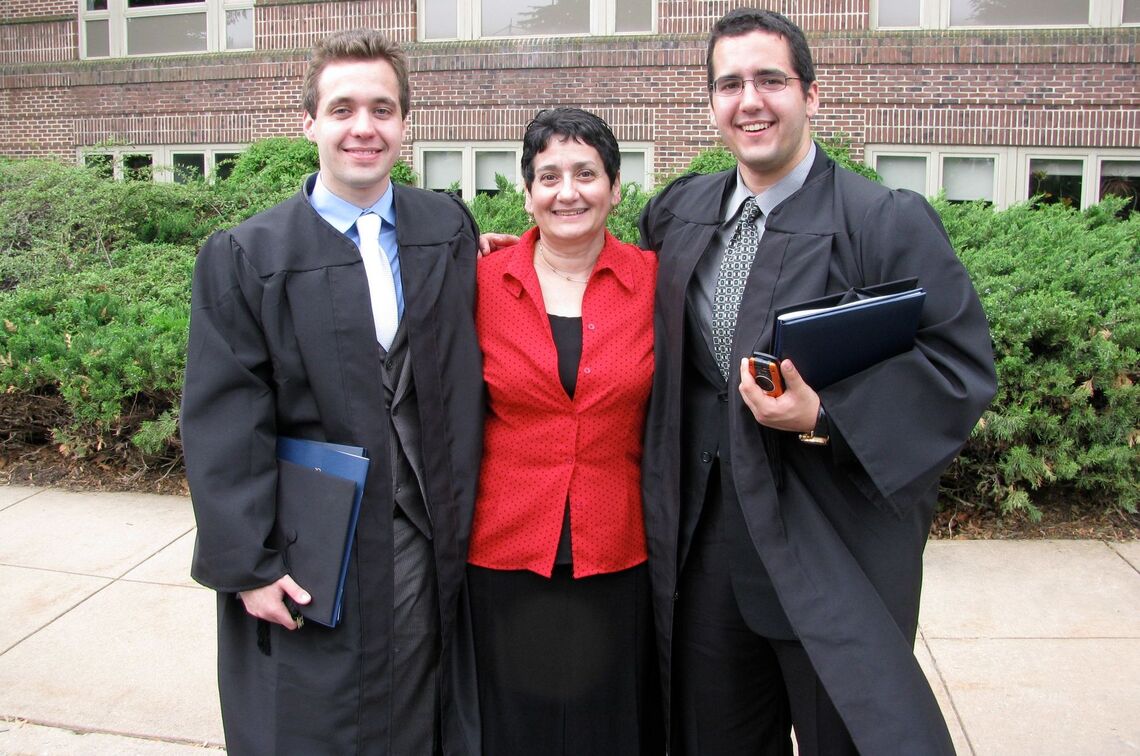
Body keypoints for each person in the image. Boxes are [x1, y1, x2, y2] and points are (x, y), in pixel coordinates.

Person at [637, 8, 997, 756]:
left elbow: (960, 366)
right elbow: (613, 282)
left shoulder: (882, 221)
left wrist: (823, 413)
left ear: (812, 94)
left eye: (771, 79)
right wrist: (523, 255)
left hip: (826, 549)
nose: (751, 101)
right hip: (706, 559)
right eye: (730, 84)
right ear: (711, 103)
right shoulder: (683, 212)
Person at [181, 29, 483, 755]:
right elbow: (223, 419)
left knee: (417, 707)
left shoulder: (444, 228)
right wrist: (248, 565)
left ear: (405, 124)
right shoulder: (251, 254)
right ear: (309, 123)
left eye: (382, 109)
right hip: (308, 542)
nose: (363, 127)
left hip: (423, 528)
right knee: (310, 714)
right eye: (342, 108)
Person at [467, 107, 663, 755]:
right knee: (512, 731)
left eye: (586, 173)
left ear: (614, 186)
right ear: (526, 193)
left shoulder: (655, 282)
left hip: (617, 548)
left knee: (606, 731)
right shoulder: (479, 282)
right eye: (548, 176)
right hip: (504, 550)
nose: (568, 191)